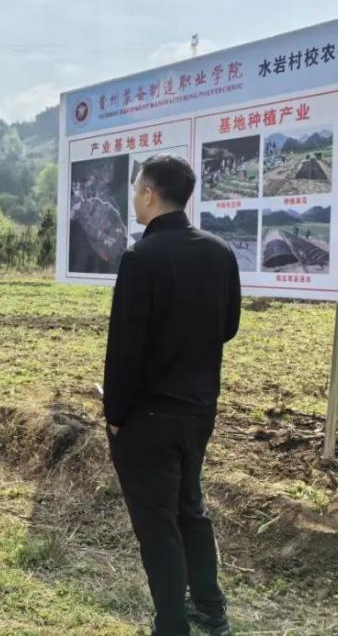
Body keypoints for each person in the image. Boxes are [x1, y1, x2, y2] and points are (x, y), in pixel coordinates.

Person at [103, 155, 240, 636]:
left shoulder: (141, 258)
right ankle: (211, 609)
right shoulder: (219, 251)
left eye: (138, 186)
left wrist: (115, 414)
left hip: (148, 415)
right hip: (200, 408)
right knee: (190, 510)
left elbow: (125, 348)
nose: (136, 195)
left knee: (157, 523)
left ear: (149, 193)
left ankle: (171, 624)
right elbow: (228, 326)